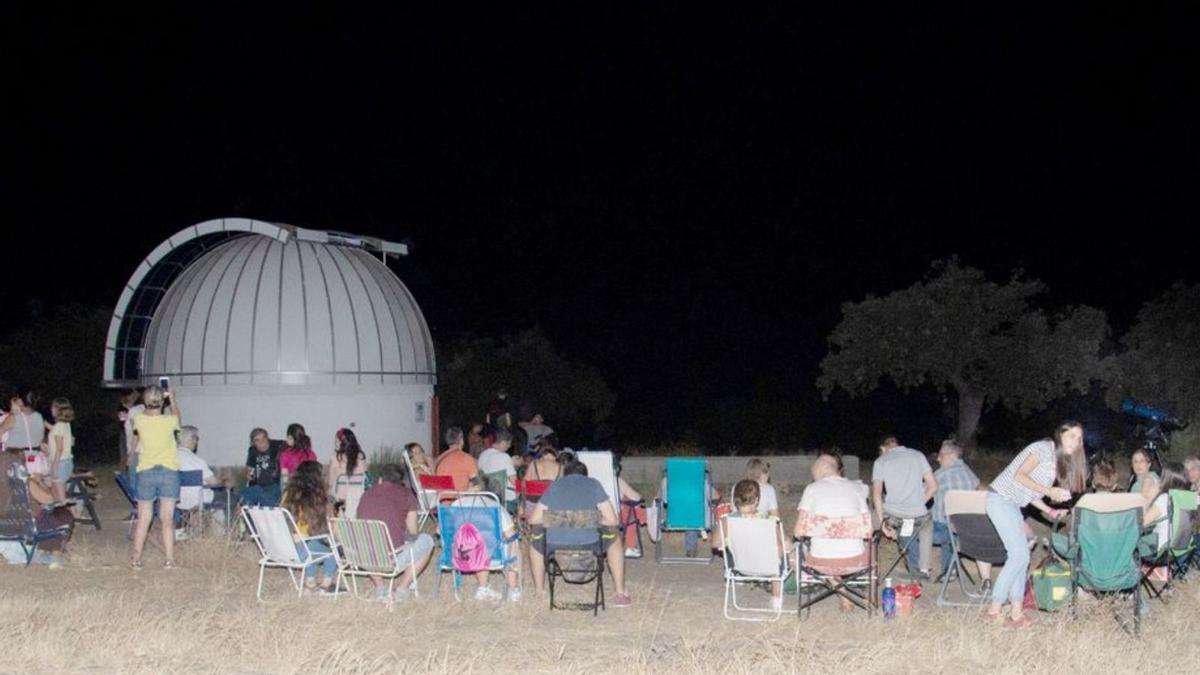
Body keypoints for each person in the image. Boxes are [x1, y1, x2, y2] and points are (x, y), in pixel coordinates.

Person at [985, 421, 1087, 628]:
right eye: (1071, 436)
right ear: (1060, 434)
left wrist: (1050, 510)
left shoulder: (1055, 460)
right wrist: (1049, 492)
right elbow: (1019, 475)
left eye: (1079, 439)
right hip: (1000, 500)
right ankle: (994, 610)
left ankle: (1016, 613)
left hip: (1013, 504)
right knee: (1019, 555)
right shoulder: (1042, 448)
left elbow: (1030, 492)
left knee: (1021, 557)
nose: (1075, 442)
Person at [527, 453, 631, 607]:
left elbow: (533, 520)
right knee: (615, 538)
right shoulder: (594, 484)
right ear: (585, 475)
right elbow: (612, 520)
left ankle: (539, 591)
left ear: (565, 474)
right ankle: (620, 593)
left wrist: (559, 518)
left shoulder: (555, 486)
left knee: (534, 539)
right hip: (590, 544)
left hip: (555, 545)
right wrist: (592, 519)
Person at [355, 464, 436, 602]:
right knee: (427, 540)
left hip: (363, 555)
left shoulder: (366, 494)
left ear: (380, 479)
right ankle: (402, 588)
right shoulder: (406, 495)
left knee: (371, 540)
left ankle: (380, 587)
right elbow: (413, 533)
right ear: (401, 482)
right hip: (390, 558)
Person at [872, 435, 938, 580]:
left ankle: (871, 568)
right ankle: (924, 569)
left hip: (894, 516)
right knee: (926, 526)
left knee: (874, 521)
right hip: (918, 515)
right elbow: (933, 487)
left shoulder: (881, 461)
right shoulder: (918, 455)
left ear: (883, 448)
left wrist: (882, 521)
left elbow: (876, 494)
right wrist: (918, 504)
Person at [130, 385, 182, 569]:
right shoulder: (169, 421)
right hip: (168, 471)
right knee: (167, 518)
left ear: (145, 401)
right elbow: (177, 418)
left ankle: (136, 559)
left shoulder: (138, 419)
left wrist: (152, 400)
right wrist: (172, 399)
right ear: (163, 401)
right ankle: (169, 559)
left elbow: (145, 413)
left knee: (144, 517)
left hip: (146, 471)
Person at [0, 446, 73, 565]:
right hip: (27, 525)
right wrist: (39, 481)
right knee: (63, 514)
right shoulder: (24, 481)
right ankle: (54, 555)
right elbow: (50, 500)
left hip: (4, 525)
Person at [930, 439, 990, 583]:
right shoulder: (969, 472)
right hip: (969, 528)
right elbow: (979, 487)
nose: (938, 458)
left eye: (940, 454)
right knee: (950, 526)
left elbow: (922, 494)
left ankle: (921, 571)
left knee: (915, 531)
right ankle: (951, 567)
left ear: (951, 455)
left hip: (945, 529)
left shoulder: (939, 475)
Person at [723, 479, 784, 609]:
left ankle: (739, 580)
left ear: (734, 500)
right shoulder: (768, 521)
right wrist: (779, 558)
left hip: (739, 565)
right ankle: (776, 598)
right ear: (757, 500)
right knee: (777, 559)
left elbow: (717, 544)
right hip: (766, 566)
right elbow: (779, 546)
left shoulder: (728, 521)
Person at [280, 461, 337, 593]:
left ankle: (310, 582)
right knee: (331, 548)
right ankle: (326, 584)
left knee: (311, 544)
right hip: (303, 550)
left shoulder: (287, 495)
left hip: (285, 548)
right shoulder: (316, 498)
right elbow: (321, 530)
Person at [175, 425, 230, 533]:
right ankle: (228, 533)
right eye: (196, 438)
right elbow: (213, 483)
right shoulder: (196, 461)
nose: (197, 442)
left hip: (177, 500)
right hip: (198, 499)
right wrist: (224, 481)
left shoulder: (170, 457)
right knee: (232, 499)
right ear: (192, 439)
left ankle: (180, 530)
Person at [1141, 461, 1189, 558]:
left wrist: (1148, 499)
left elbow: (1141, 523)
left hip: (1161, 551)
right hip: (1182, 549)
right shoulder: (1187, 497)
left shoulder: (1164, 499)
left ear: (1165, 479)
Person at [243, 428, 284, 507]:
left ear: (268, 438)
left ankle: (275, 509)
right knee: (242, 495)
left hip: (275, 485)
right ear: (253, 443)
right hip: (258, 487)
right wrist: (249, 474)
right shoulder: (252, 451)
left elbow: (295, 446)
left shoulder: (278, 446)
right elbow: (249, 469)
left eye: (264, 438)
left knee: (259, 493)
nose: (262, 442)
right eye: (257, 440)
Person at [432, 427, 479, 493]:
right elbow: (476, 482)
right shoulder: (466, 458)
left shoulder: (439, 460)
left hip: (440, 500)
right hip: (460, 500)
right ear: (461, 440)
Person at [46, 398, 75, 503]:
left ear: (58, 410)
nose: (51, 409)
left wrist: (54, 465)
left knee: (60, 497)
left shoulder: (58, 427)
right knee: (57, 493)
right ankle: (74, 515)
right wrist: (44, 423)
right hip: (67, 462)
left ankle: (67, 517)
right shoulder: (65, 425)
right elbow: (54, 430)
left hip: (60, 463)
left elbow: (59, 448)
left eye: (53, 407)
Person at [477, 428, 517, 505]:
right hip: (504, 498)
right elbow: (514, 481)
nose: (509, 446)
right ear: (502, 442)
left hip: (486, 496)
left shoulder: (482, 455)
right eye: (508, 443)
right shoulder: (505, 456)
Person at [327, 428, 367, 504]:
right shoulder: (361, 457)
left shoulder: (336, 458)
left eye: (336, 441)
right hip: (358, 500)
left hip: (339, 500)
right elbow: (365, 479)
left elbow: (330, 484)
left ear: (340, 443)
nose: (335, 443)